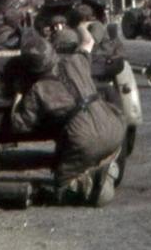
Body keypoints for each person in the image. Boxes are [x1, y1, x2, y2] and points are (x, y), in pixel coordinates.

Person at [10, 26, 124, 204]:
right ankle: (106, 163)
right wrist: (80, 25)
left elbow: (19, 124)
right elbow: (88, 41)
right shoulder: (76, 61)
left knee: (61, 186)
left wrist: (17, 94)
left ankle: (90, 185)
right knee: (96, 148)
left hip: (85, 139)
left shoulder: (38, 89)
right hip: (114, 127)